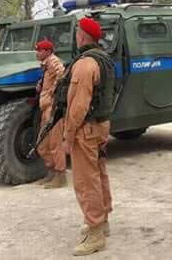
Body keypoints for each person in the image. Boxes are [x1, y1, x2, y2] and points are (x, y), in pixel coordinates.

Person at [58, 17, 115, 256]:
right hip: (101, 126)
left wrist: (68, 136)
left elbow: (78, 106)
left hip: (85, 130)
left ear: (82, 36)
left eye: (78, 32)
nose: (76, 36)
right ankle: (102, 222)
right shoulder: (104, 59)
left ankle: (95, 233)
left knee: (85, 180)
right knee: (99, 173)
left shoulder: (84, 64)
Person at [34, 39, 67, 188]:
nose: (37, 53)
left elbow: (62, 74)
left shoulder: (53, 61)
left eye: (40, 50)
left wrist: (53, 91)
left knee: (55, 143)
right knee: (43, 143)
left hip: (53, 108)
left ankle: (60, 176)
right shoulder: (46, 65)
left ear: (47, 51)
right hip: (46, 108)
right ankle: (52, 172)